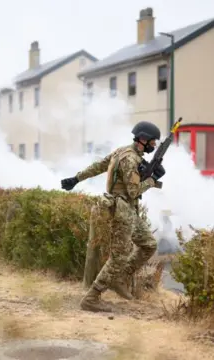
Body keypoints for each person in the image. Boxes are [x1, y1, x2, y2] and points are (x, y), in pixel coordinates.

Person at [60, 121, 165, 312]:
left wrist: (76, 179)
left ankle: (120, 278)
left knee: (149, 244)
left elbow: (99, 165)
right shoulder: (130, 159)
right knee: (118, 256)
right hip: (122, 210)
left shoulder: (122, 152)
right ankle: (92, 297)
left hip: (129, 211)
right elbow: (133, 191)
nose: (154, 145)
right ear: (143, 139)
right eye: (152, 142)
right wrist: (151, 180)